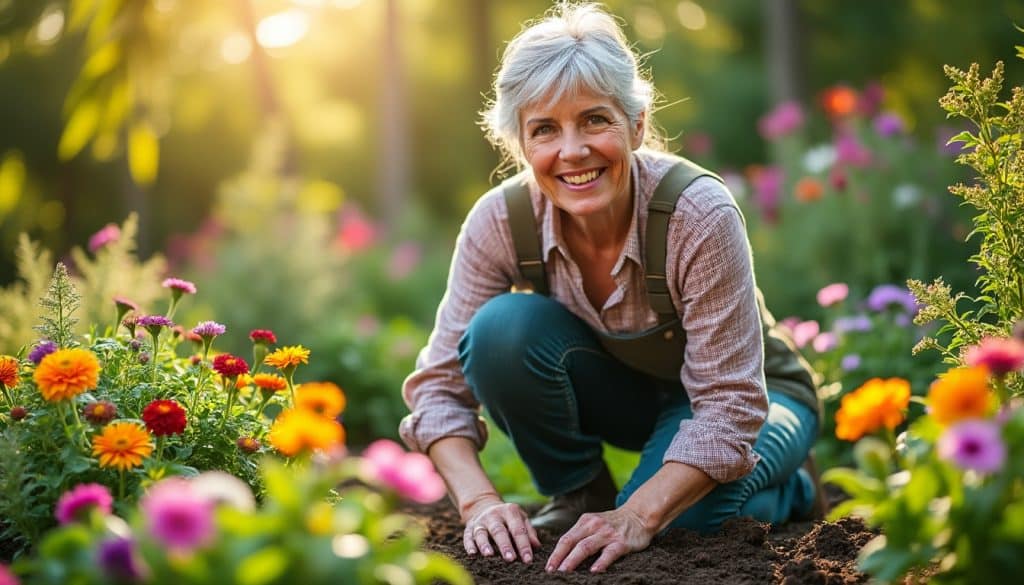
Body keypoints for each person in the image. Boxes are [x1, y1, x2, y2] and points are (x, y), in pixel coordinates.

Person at [399, 1, 821, 574]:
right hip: (635, 400)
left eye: (595, 120)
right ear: (519, 144)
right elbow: (439, 390)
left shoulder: (697, 213)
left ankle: (791, 487)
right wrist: (479, 504)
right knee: (499, 331)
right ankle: (581, 495)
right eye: (545, 129)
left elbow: (730, 405)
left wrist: (638, 515)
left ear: (637, 123)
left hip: (756, 399)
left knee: (682, 522)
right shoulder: (500, 221)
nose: (572, 151)